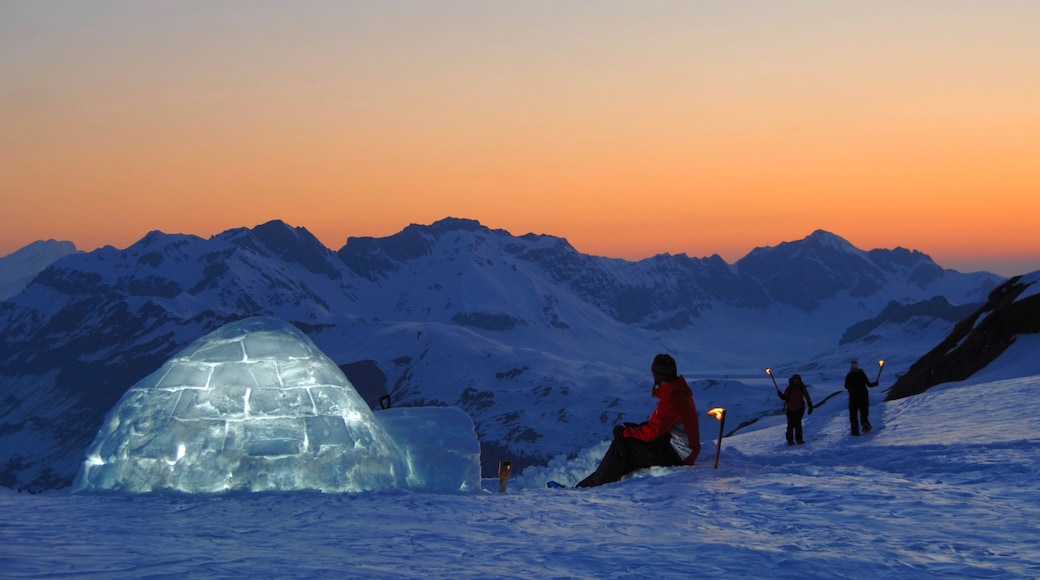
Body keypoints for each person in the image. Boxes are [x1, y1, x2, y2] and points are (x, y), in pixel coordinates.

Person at [575, 354, 701, 488]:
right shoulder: (678, 391)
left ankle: (590, 486)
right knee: (629, 445)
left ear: (656, 375)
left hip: (679, 453)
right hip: (681, 447)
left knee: (622, 446)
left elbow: (652, 432)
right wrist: (636, 430)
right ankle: (591, 482)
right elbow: (660, 425)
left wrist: (627, 433)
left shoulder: (672, 398)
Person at [845, 360, 878, 436]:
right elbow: (869, 384)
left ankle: (855, 431)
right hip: (863, 397)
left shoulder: (849, 376)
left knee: (853, 415)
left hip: (854, 398)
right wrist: (875, 384)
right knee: (864, 414)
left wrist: (852, 385)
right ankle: (866, 427)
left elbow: (846, 386)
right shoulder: (861, 374)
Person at [778, 374, 813, 445]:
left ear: (799, 381)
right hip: (790, 409)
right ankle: (790, 440)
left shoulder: (801, 388)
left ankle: (799, 439)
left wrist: (810, 405)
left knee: (798, 424)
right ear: (793, 380)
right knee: (790, 425)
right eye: (795, 380)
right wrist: (781, 395)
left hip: (799, 408)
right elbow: (785, 397)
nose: (796, 381)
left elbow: (807, 396)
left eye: (797, 380)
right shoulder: (789, 388)